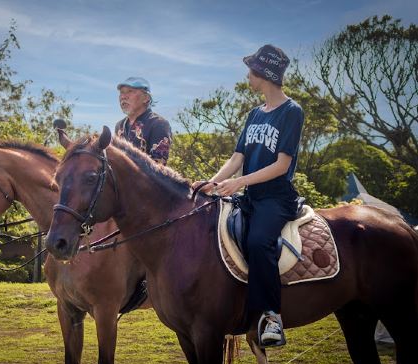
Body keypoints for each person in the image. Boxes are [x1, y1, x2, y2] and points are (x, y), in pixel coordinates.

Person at [192, 44, 304, 346]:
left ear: (264, 74)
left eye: (251, 70)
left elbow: (282, 165)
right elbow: (237, 157)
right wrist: (212, 183)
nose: (247, 75)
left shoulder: (292, 112)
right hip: (250, 197)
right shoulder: (255, 113)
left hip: (276, 199)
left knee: (258, 241)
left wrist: (240, 184)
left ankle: (272, 318)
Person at [115, 77, 172, 165]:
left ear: (146, 98)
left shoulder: (158, 124)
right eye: (121, 93)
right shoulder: (119, 126)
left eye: (130, 91)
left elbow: (158, 168)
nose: (123, 97)